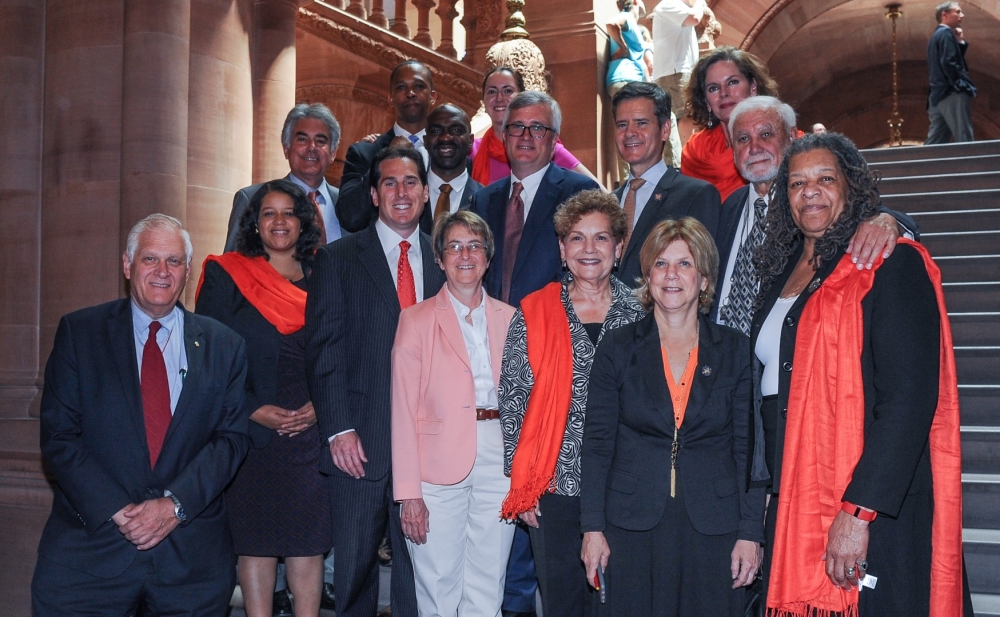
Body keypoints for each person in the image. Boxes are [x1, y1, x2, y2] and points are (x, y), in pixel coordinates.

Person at [751, 132, 971, 616]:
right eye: (796, 183)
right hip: (795, 493)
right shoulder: (782, 272)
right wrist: (768, 491)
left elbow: (910, 399)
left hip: (870, 500)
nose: (809, 191)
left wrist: (858, 511)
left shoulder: (886, 262)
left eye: (825, 179)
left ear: (851, 187)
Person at [32, 214, 249, 616]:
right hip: (90, 557)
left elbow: (232, 439)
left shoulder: (225, 346)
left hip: (191, 564)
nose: (162, 272)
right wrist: (120, 512)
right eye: (150, 259)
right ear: (128, 265)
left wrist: (174, 506)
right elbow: (59, 435)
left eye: (174, 261)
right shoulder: (80, 334)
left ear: (187, 270)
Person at [307, 146, 446, 617]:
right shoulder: (338, 258)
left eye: (410, 182)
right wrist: (337, 428)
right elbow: (324, 352)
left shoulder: (447, 260)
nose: (400, 192)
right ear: (372, 194)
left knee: (419, 576)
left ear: (426, 194)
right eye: (389, 183)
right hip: (359, 446)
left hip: (430, 449)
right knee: (354, 576)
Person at [499, 190, 646, 617]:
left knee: (621, 604)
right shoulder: (534, 312)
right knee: (563, 602)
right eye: (577, 238)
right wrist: (522, 486)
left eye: (601, 238)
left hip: (628, 489)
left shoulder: (644, 312)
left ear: (619, 248)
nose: (589, 249)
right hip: (554, 487)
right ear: (562, 249)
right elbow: (514, 402)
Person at [196, 180, 332, 617]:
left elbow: (340, 348)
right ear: (253, 222)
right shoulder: (225, 273)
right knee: (254, 544)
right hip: (249, 427)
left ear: (303, 221)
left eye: (288, 212)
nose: (279, 221)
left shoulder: (325, 272)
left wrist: (320, 406)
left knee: (306, 545)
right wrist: (252, 408)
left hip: (311, 427)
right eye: (268, 213)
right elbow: (207, 355)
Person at [391, 210, 517, 616]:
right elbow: (403, 410)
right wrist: (408, 492)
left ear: (488, 256)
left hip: (499, 461)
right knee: (438, 585)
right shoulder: (414, 319)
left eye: (475, 245)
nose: (465, 254)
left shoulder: (512, 318)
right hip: (435, 465)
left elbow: (523, 401)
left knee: (488, 583)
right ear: (440, 259)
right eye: (454, 246)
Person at [713, 96, 917, 336]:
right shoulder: (725, 208)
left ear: (791, 137)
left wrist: (890, 219)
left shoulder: (814, 207)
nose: (754, 148)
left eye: (766, 135)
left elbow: (867, 213)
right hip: (723, 362)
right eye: (743, 138)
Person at [471, 91, 602, 308]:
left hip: (554, 328)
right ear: (504, 136)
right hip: (491, 332)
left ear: (554, 140)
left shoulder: (579, 193)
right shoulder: (482, 201)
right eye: (517, 127)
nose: (526, 136)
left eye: (538, 128)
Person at [611, 81, 720, 287]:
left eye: (641, 123)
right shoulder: (608, 202)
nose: (630, 132)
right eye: (622, 124)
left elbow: (704, 274)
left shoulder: (697, 195)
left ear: (665, 129)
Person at [225, 103, 344, 252]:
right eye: (302, 139)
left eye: (320, 141)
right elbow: (229, 268)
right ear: (286, 148)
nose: (312, 147)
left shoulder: (348, 202)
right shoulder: (251, 198)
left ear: (333, 153)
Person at [337, 60, 439, 232]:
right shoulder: (365, 152)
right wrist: (387, 155)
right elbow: (349, 217)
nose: (410, 93)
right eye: (401, 87)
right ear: (390, 98)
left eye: (419, 86)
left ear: (433, 97)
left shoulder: (448, 151)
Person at [472, 67, 599, 187]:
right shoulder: (472, 151)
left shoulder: (546, 148)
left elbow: (596, 190)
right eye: (492, 91)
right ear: (483, 99)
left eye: (508, 91)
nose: (499, 97)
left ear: (520, 96)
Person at [680, 46, 778, 201]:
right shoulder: (695, 152)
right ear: (706, 100)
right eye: (713, 88)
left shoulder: (784, 140)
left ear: (753, 87)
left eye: (732, 82)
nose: (724, 93)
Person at [650, 0, 706, 167]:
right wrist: (699, 3)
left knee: (686, 116)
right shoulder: (669, 4)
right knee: (685, 117)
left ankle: (686, 163)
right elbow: (694, 18)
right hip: (675, 72)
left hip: (678, 71)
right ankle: (687, 164)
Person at [926, 2, 976, 144]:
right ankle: (969, 166)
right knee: (964, 136)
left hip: (937, 95)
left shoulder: (936, 36)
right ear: (944, 15)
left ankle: (922, 165)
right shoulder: (946, 33)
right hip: (951, 93)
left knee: (935, 142)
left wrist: (959, 42)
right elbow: (949, 63)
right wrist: (960, 85)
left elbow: (946, 61)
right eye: (958, 12)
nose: (962, 15)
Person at [425, 104, 483, 219]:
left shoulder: (487, 199)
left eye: (456, 130)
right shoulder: (407, 193)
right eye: (436, 131)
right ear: (425, 141)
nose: (445, 138)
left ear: (470, 141)